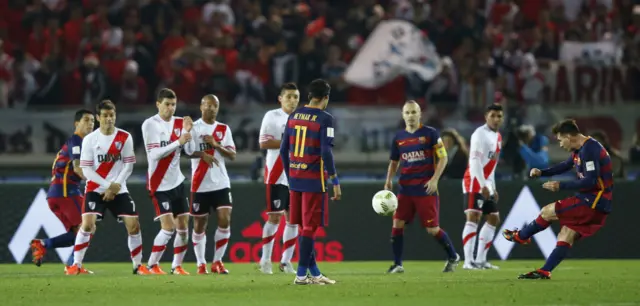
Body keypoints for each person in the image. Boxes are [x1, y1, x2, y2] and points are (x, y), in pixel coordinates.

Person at [503, 119, 613, 279]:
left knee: (548, 211)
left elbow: (591, 181)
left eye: (561, 140)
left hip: (594, 201)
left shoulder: (590, 149)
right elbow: (565, 165)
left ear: (569, 136)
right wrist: (542, 172)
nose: (560, 144)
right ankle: (545, 271)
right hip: (596, 202)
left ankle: (522, 236)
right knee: (566, 233)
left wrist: (560, 186)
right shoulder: (580, 149)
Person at [71, 100, 150, 275]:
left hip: (119, 188)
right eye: (105, 116)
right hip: (95, 188)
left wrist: (116, 187)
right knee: (87, 225)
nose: (109, 119)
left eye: (112, 115)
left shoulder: (125, 137)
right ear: (98, 118)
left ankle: (138, 266)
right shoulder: (90, 140)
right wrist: (108, 186)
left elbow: (128, 166)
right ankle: (76, 265)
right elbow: (86, 169)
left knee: (134, 225)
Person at [384, 101, 460, 274]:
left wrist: (434, 180)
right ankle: (397, 264)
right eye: (407, 112)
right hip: (405, 189)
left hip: (425, 189)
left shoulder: (430, 133)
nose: (410, 116)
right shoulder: (399, 137)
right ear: (403, 115)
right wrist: (389, 179)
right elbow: (394, 162)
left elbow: (443, 158)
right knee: (397, 223)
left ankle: (453, 256)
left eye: (414, 112)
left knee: (432, 229)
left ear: (420, 114)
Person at [280, 79, 340, 285]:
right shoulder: (325, 118)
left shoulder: (293, 115)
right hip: (315, 179)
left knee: (303, 227)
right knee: (310, 228)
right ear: (325, 98)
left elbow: (282, 150)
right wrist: (335, 179)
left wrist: (290, 177)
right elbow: (326, 151)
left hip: (295, 178)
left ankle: (314, 274)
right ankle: (300, 275)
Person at [30, 109, 94, 274]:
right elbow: (78, 168)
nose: (91, 124)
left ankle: (43, 245)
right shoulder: (77, 140)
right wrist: (98, 183)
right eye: (86, 120)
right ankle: (73, 265)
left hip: (57, 194)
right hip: (66, 191)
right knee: (88, 227)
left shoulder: (80, 143)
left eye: (93, 121)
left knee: (78, 234)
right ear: (76, 124)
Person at [141, 88, 193, 275]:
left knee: (183, 229)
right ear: (158, 104)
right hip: (158, 183)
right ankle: (151, 265)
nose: (170, 108)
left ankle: (176, 266)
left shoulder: (180, 123)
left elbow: (189, 151)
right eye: (167, 104)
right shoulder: (150, 124)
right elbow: (154, 155)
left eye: (173, 105)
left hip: (177, 182)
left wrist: (188, 133)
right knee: (169, 228)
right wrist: (178, 141)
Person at [188, 94, 237, 274]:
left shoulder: (223, 129)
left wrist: (216, 145)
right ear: (201, 107)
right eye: (207, 105)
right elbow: (185, 151)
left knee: (225, 219)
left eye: (214, 105)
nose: (210, 108)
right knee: (200, 224)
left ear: (218, 108)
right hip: (200, 184)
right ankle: (201, 263)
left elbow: (232, 155)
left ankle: (217, 261)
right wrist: (202, 154)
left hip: (221, 182)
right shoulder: (193, 127)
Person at [258, 83, 300, 274]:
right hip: (276, 173)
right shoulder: (272, 116)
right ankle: (265, 260)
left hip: (297, 175)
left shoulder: (301, 118)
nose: (293, 100)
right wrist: (290, 142)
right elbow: (264, 142)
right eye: (289, 96)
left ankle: (286, 261)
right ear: (280, 98)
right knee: (274, 217)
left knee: (294, 220)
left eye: (296, 97)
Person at [461, 104, 504, 270]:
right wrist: (481, 183)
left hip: (487, 182)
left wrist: (493, 186)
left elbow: (492, 165)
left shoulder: (498, 137)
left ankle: (480, 260)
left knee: (493, 218)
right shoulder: (479, 134)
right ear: (486, 116)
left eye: (499, 116)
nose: (496, 119)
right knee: (473, 217)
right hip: (473, 180)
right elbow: (474, 161)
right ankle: (467, 262)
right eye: (493, 115)